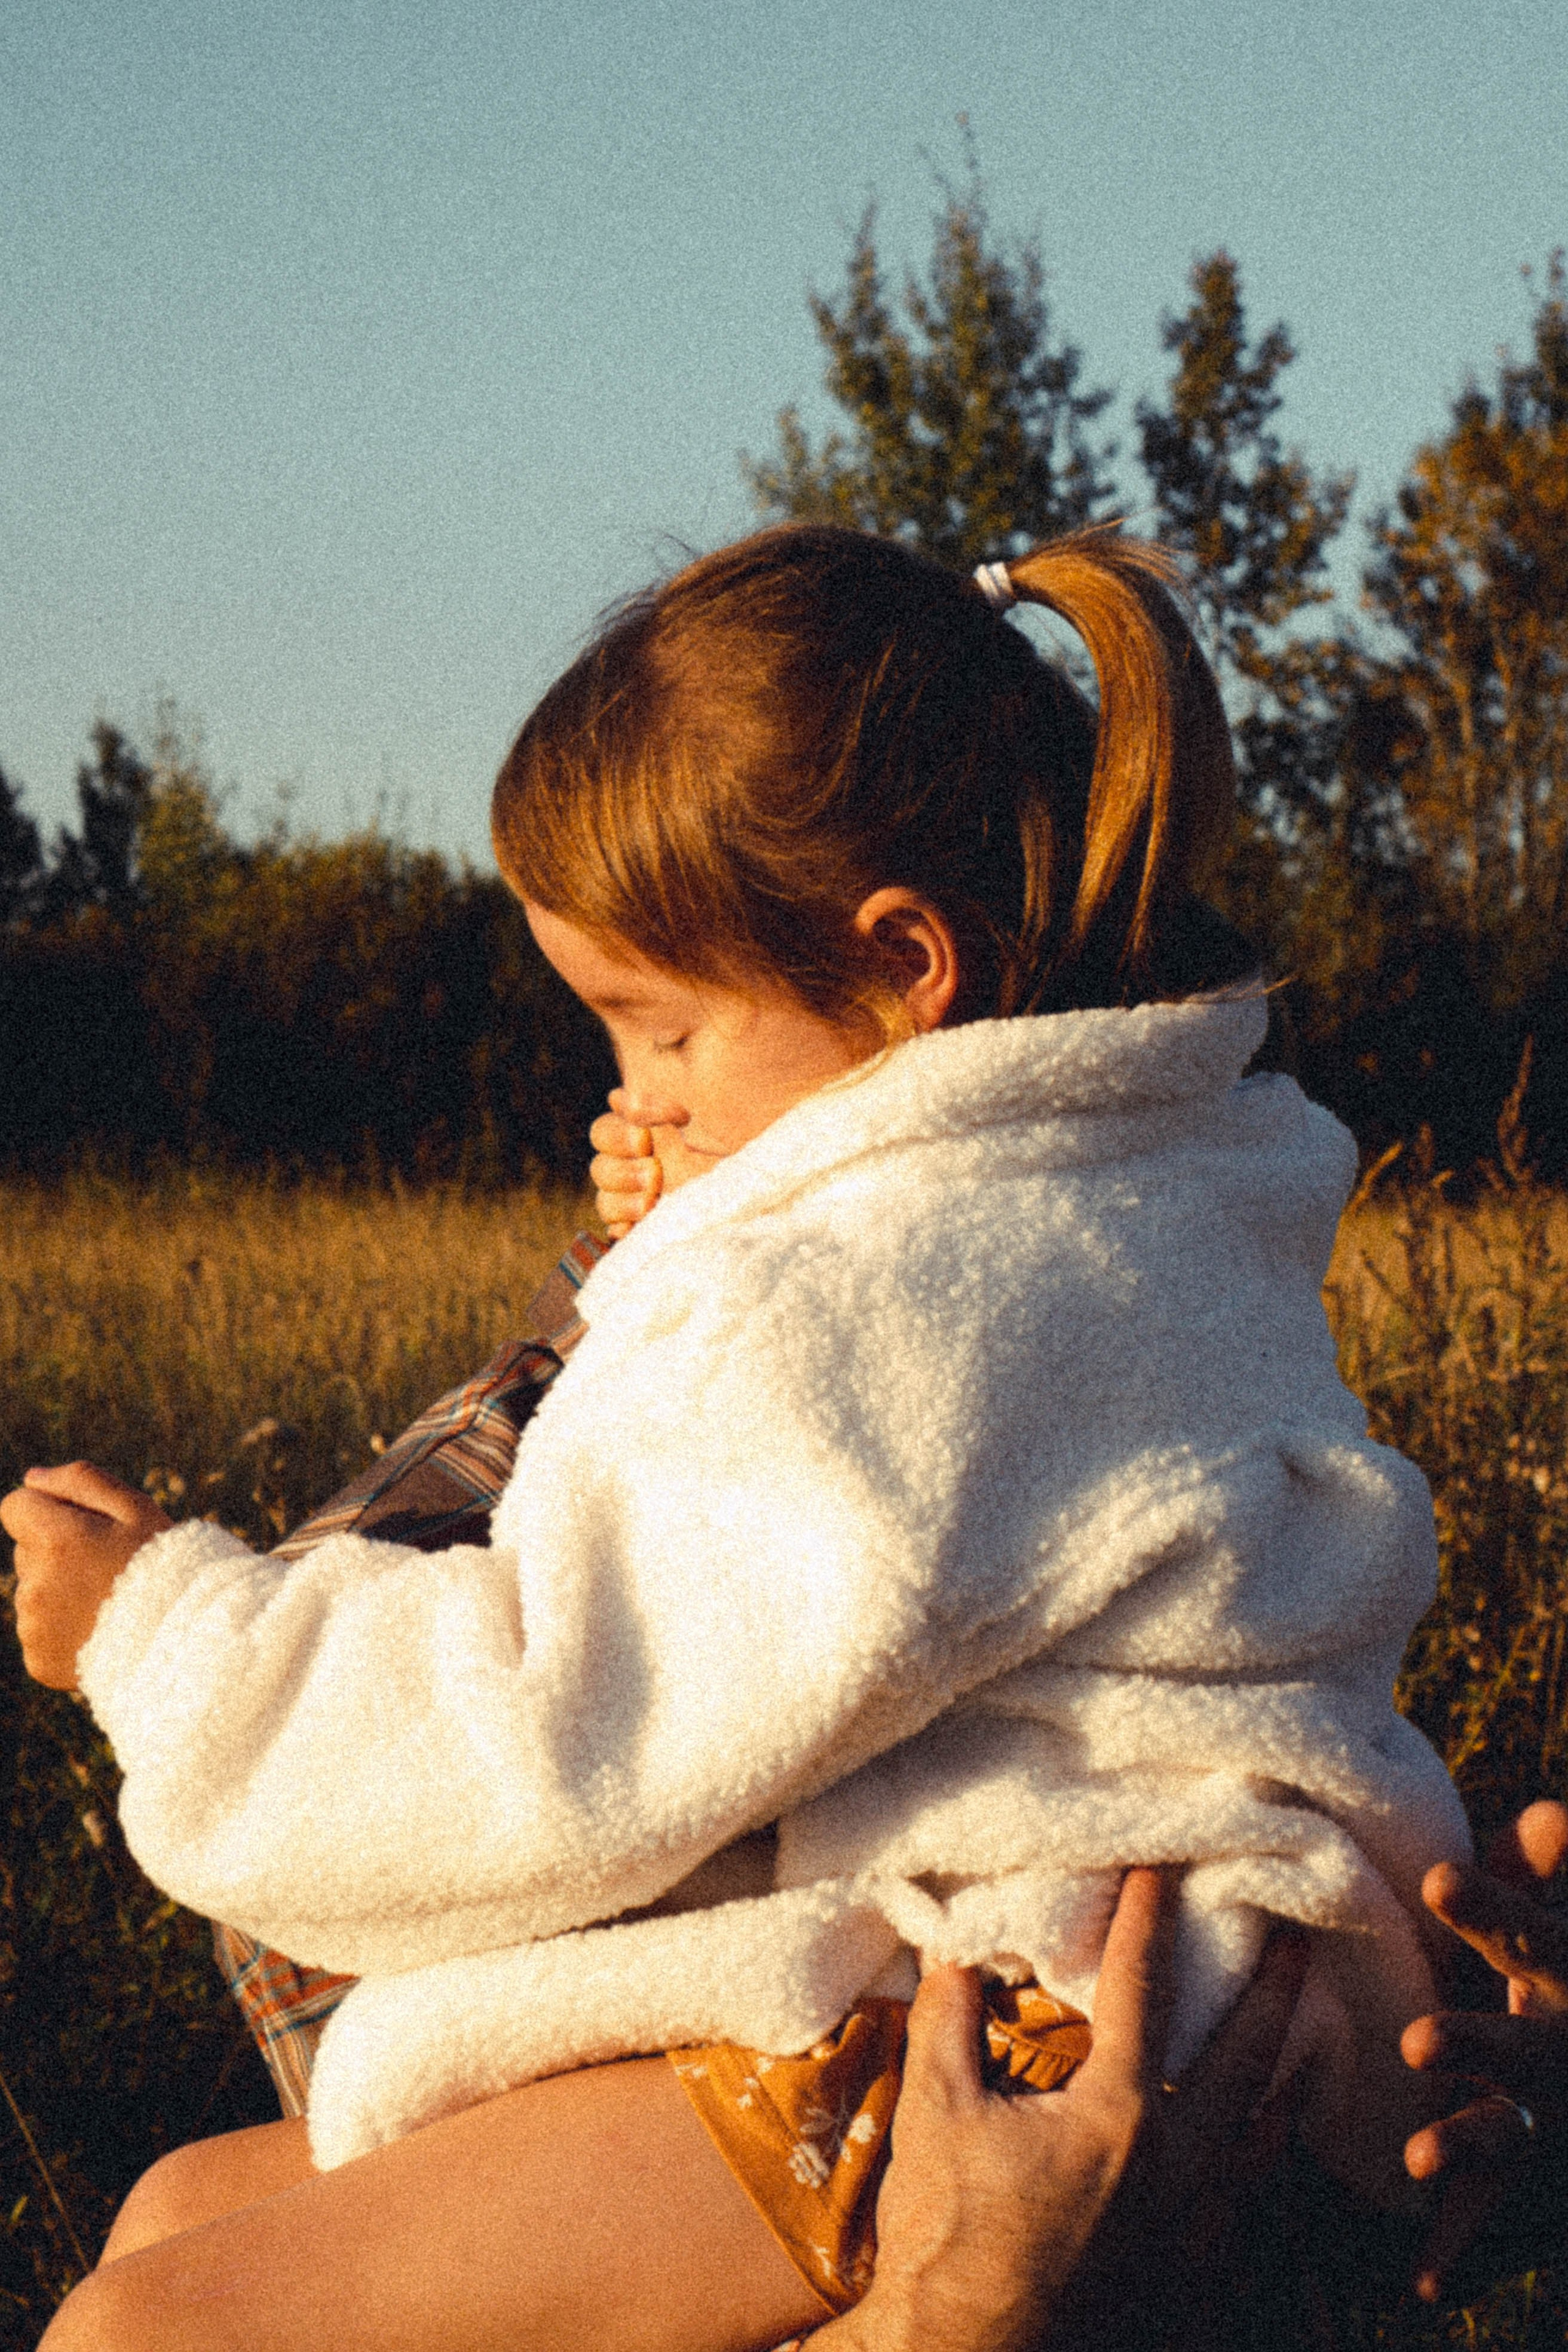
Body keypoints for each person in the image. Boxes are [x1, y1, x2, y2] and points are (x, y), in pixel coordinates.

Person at [6, 521, 1473, 2351]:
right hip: (1202, 1985)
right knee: (176, 2211)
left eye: (663, 1029)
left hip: (994, 2048)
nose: (636, 1097)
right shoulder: (1133, 1176)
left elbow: (555, 1730)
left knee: (150, 2330)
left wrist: (153, 1629)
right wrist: (691, 1230)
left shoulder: (864, 1295)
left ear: (905, 967)